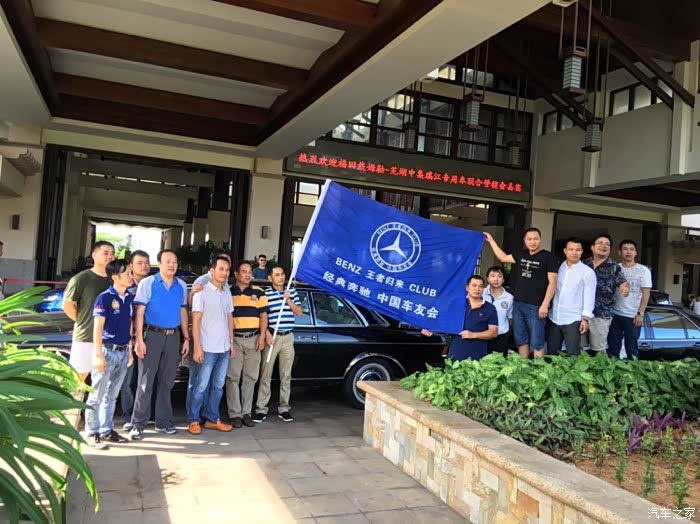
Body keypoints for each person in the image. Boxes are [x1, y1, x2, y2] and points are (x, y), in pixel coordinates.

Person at [130, 249, 190, 440]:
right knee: (145, 381)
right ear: (159, 263)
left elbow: (182, 312)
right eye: (168, 261)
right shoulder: (148, 283)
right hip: (152, 336)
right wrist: (139, 340)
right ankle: (138, 423)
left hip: (173, 337)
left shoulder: (181, 285)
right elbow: (139, 313)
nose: (172, 265)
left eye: (175, 261)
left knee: (167, 381)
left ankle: (163, 422)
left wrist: (186, 338)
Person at [484, 228, 558, 358]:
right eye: (529, 239)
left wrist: (545, 304)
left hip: (536, 305)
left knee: (537, 341)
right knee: (521, 339)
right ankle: (523, 366)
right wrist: (491, 240)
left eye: (535, 239)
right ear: (525, 240)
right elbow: (503, 257)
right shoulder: (521, 254)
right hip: (518, 303)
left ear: (540, 240)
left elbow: (553, 282)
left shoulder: (548, 256)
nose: (532, 242)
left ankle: (539, 368)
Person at [85, 259, 134, 449]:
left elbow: (129, 324)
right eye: (127, 273)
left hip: (123, 351)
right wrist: (98, 354)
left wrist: (130, 349)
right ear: (115, 277)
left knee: (112, 395)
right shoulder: (104, 298)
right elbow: (98, 327)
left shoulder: (128, 297)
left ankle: (106, 429)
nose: (131, 276)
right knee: (97, 394)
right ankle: (92, 432)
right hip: (107, 351)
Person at [186, 256, 234, 435]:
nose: (224, 273)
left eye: (227, 270)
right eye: (221, 269)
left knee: (218, 386)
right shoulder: (201, 291)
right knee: (201, 386)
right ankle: (193, 420)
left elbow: (229, 317)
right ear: (212, 270)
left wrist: (231, 342)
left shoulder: (226, 292)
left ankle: (212, 419)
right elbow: (196, 320)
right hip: (207, 348)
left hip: (224, 348)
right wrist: (197, 347)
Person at [254, 264, 302, 424]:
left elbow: (299, 312)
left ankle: (284, 408)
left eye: (282, 274)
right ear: (270, 278)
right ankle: (261, 409)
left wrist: (288, 299)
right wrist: (267, 334)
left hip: (287, 337)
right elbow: (261, 317)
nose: (281, 277)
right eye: (277, 275)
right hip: (272, 337)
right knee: (265, 374)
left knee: (286, 375)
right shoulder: (265, 294)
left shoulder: (291, 292)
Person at [63, 241, 115, 381]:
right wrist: (83, 321)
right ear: (94, 255)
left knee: (103, 380)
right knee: (78, 378)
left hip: (109, 338)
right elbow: (68, 305)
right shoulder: (82, 278)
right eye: (105, 253)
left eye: (112, 253)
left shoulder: (115, 279)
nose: (110, 256)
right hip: (86, 336)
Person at [226, 260, 269, 428]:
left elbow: (263, 316)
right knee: (233, 377)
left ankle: (246, 413)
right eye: (244, 271)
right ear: (236, 274)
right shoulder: (228, 292)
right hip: (234, 339)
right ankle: (234, 414)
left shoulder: (259, 291)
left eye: (250, 271)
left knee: (250, 378)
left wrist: (262, 336)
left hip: (254, 338)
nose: (248, 274)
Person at [421, 275, 498, 361]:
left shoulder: (489, 308)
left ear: (483, 289)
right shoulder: (456, 303)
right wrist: (432, 330)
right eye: (474, 285)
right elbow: (445, 323)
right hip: (456, 354)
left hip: (478, 357)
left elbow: (493, 332)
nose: (477, 289)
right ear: (467, 288)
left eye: (480, 286)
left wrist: (473, 335)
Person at [546, 238, 596, 356]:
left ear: (582, 252)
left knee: (572, 354)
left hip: (574, 319)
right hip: (554, 317)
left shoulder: (587, 272)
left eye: (578, 250)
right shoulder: (558, 268)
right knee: (552, 353)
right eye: (571, 249)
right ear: (565, 251)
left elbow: (589, 297)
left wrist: (585, 319)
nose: (574, 252)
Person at [582, 234, 629, 352]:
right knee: (579, 347)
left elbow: (622, 283)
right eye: (600, 243)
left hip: (601, 314)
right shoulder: (583, 264)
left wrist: (625, 289)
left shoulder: (614, 267)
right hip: (581, 313)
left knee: (598, 349)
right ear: (592, 247)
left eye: (607, 244)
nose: (603, 246)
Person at [121, 250, 151, 431]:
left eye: (147, 262)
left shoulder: (152, 284)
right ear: (131, 266)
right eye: (140, 263)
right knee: (129, 380)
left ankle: (143, 414)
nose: (144, 266)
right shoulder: (125, 286)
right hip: (128, 339)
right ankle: (128, 415)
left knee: (145, 378)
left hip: (149, 336)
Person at [608, 240, 652, 359]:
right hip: (615, 314)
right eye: (625, 249)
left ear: (636, 252)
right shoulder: (615, 268)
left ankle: (633, 370)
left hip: (633, 316)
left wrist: (640, 314)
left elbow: (646, 293)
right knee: (612, 349)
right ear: (620, 252)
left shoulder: (643, 270)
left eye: (631, 249)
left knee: (632, 349)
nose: (628, 252)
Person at [482, 266, 513, 355]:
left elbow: (510, 319)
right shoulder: (481, 293)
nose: (496, 279)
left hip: (501, 337)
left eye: (499, 276)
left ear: (503, 280)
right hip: (482, 335)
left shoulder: (509, 298)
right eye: (492, 276)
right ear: (487, 279)